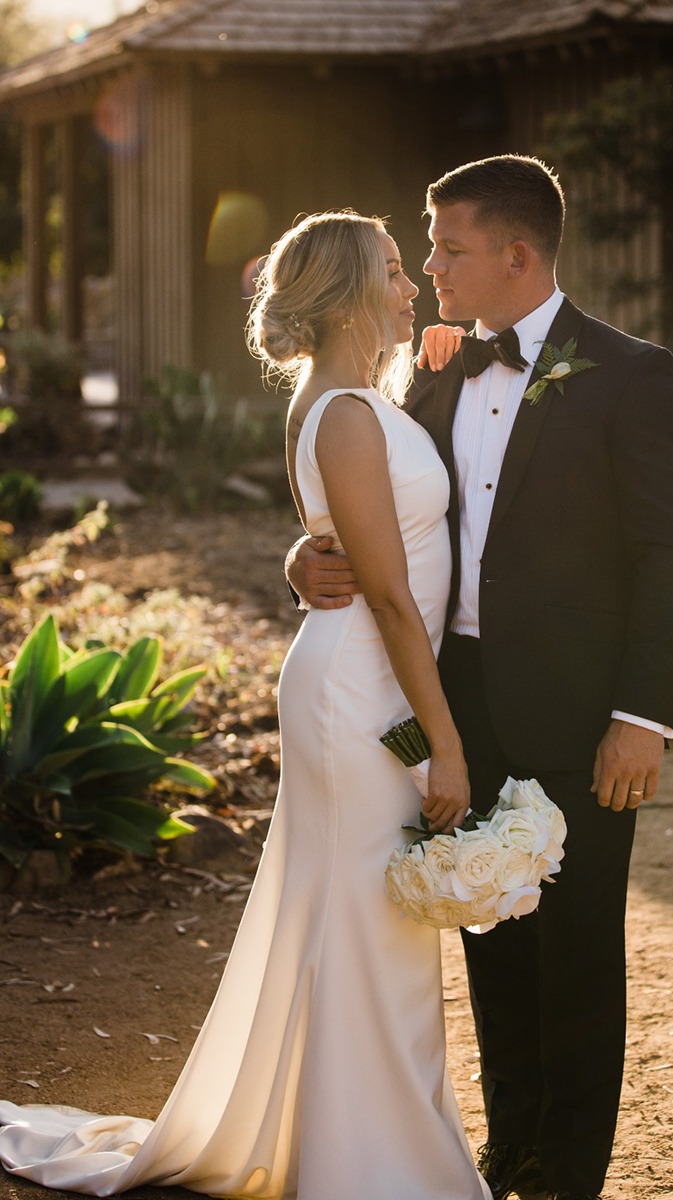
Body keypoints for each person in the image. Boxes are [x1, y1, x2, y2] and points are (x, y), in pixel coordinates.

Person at [0, 211, 491, 1200]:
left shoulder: (357, 400)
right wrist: (446, 744)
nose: (411, 288)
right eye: (395, 271)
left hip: (372, 684)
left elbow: (344, 542)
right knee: (368, 915)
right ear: (351, 289)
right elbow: (389, 595)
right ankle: (372, 1162)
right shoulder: (344, 413)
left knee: (367, 917)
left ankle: (365, 1140)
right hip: (361, 690)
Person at [287, 156, 673, 1200]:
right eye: (423, 250)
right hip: (450, 703)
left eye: (448, 248)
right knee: (488, 939)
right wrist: (304, 555)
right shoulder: (428, 371)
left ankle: (566, 1177)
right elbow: (365, 498)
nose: (428, 268)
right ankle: (508, 1153)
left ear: (516, 255)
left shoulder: (630, 372)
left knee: (575, 951)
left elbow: (670, 555)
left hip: (580, 711)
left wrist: (642, 717)